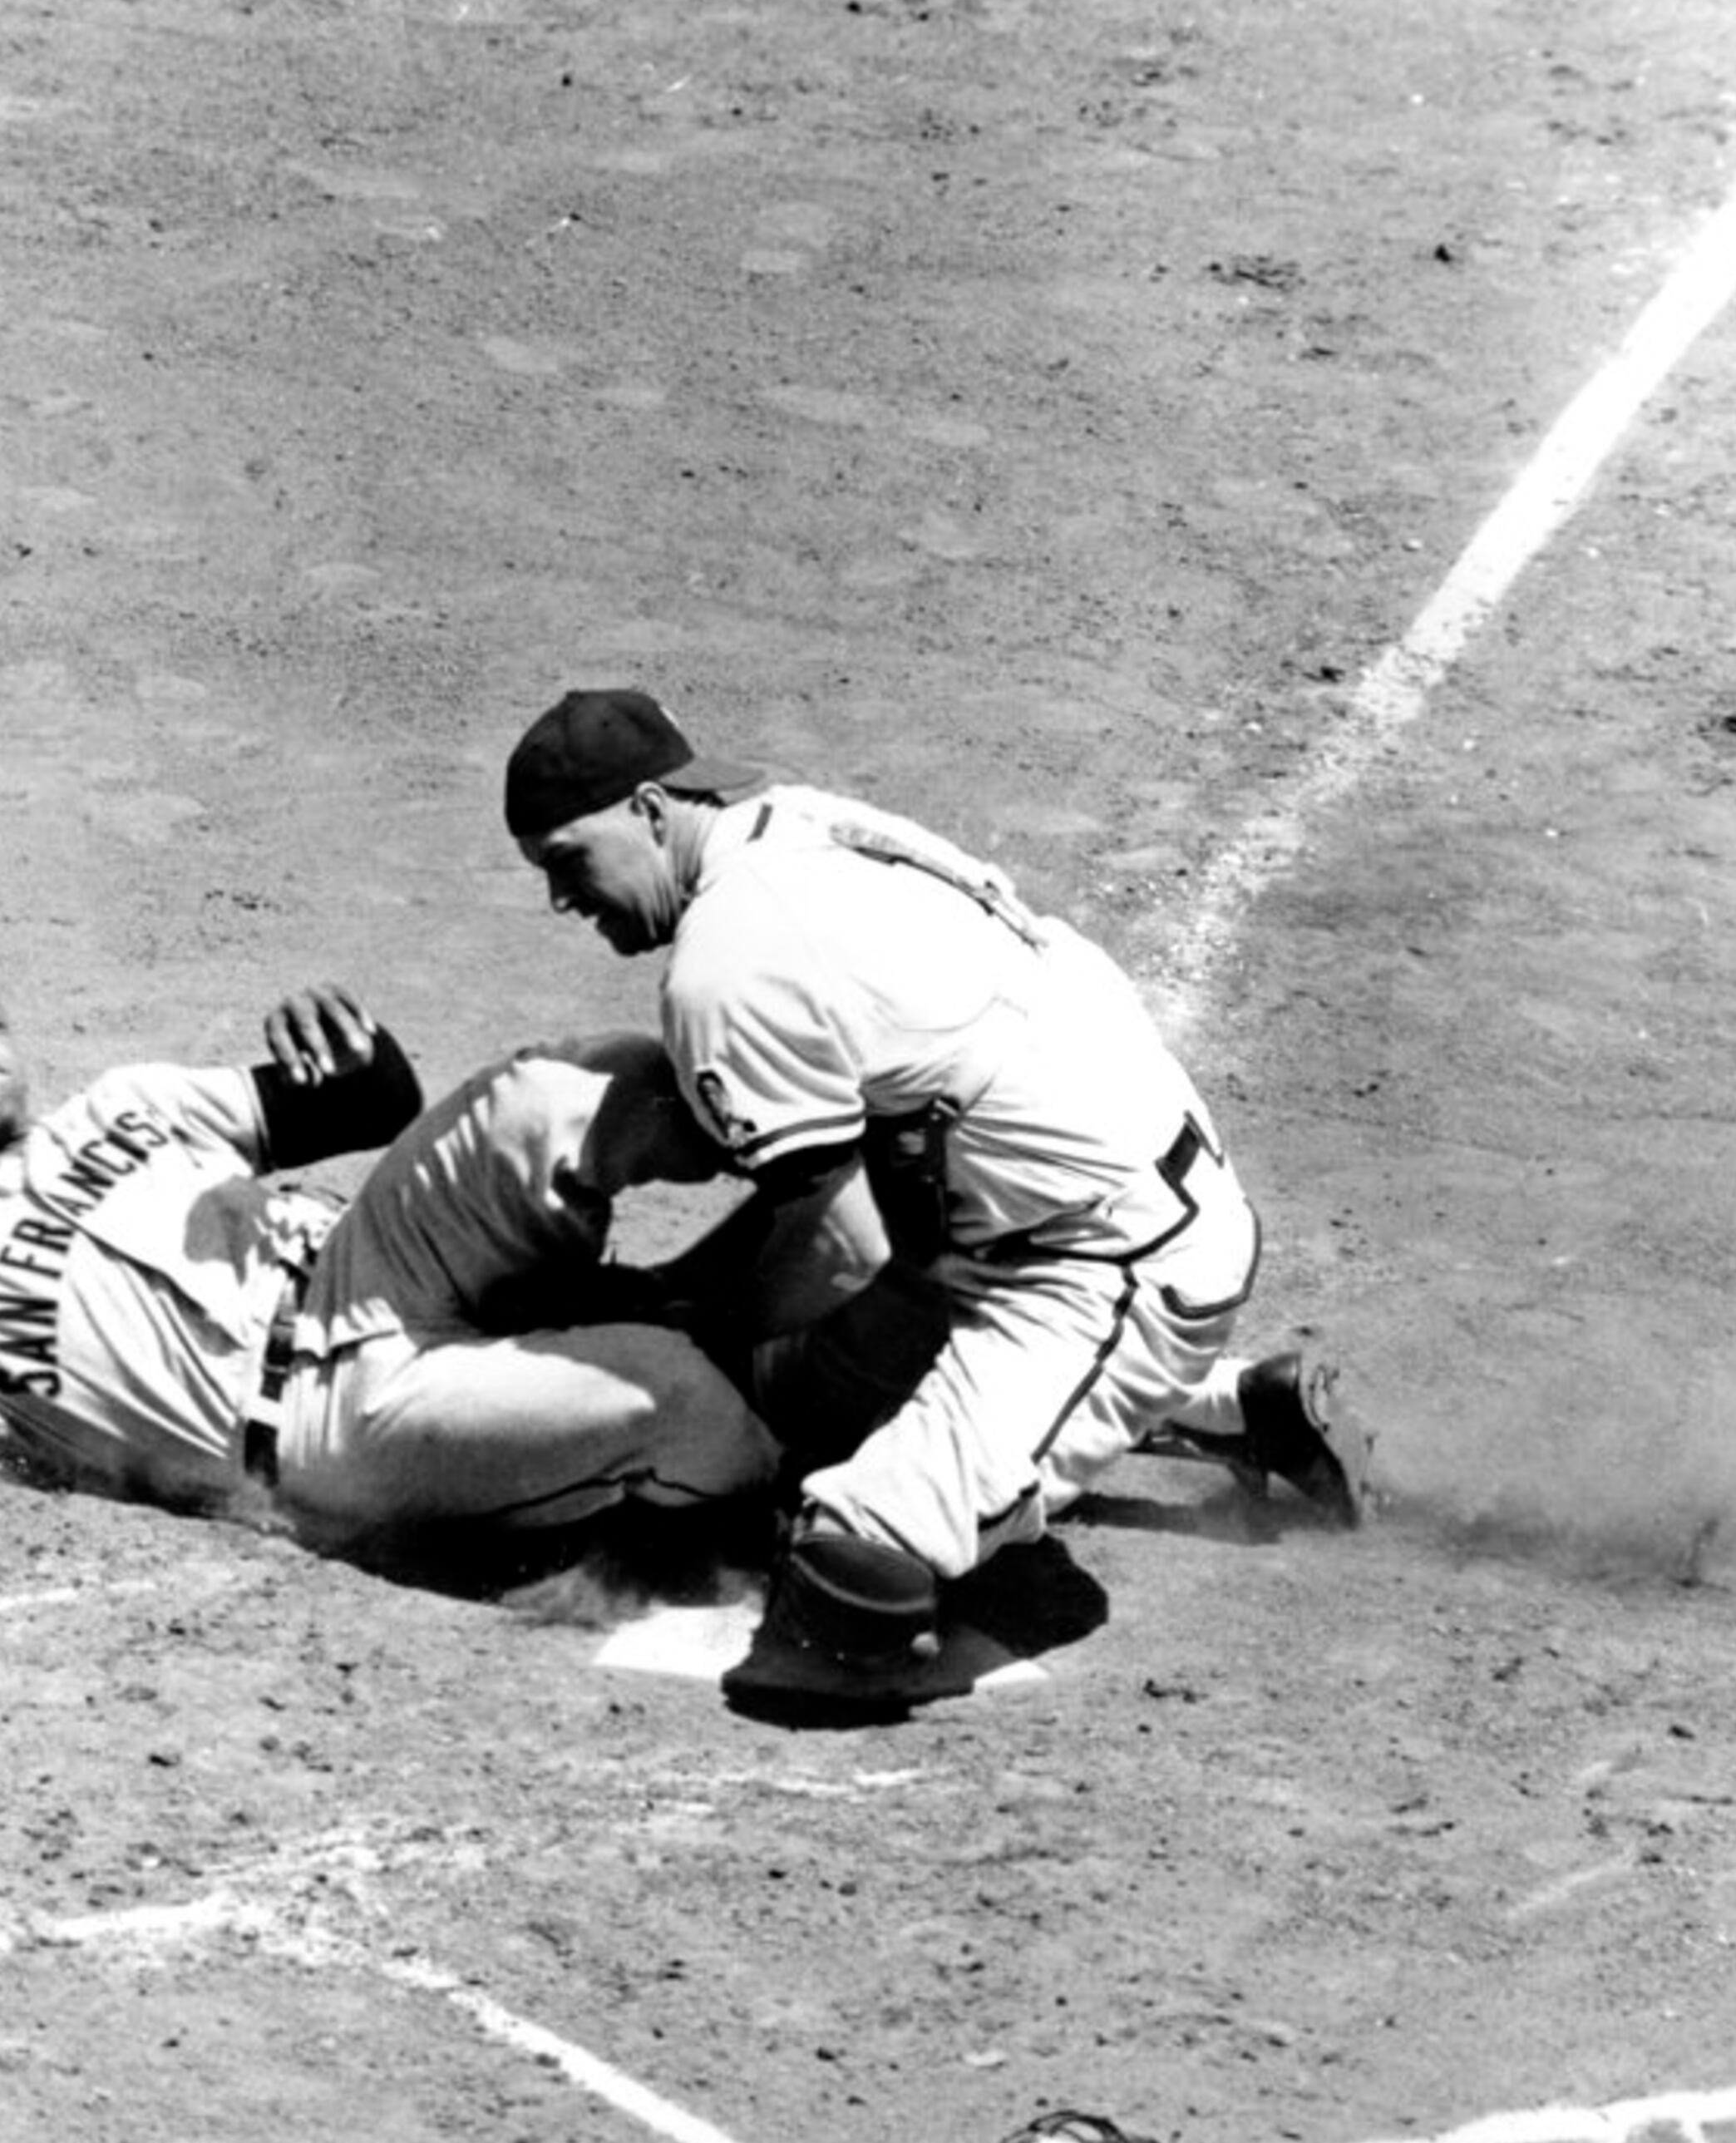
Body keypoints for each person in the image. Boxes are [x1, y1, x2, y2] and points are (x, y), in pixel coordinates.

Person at [501, 687, 1374, 1721]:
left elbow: (836, 1245)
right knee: (792, 1386)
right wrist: (678, 1291)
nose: (565, 899)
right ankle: (1240, 1408)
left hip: (1106, 1266)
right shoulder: (795, 824)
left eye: (569, 860)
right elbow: (833, 1195)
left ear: (650, 809)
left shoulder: (724, 966)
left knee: (847, 1569)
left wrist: (690, 1331)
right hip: (1049, 1203)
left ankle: (1123, 1397)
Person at [0, 965, 780, 1580]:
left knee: (567, 1090)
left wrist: (341, 1039)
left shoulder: (122, 1103)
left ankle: (817, 1145)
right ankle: (821, 1477)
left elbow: (371, 1103)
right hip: (331, 1420)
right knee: (674, 1387)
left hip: (372, 1266)